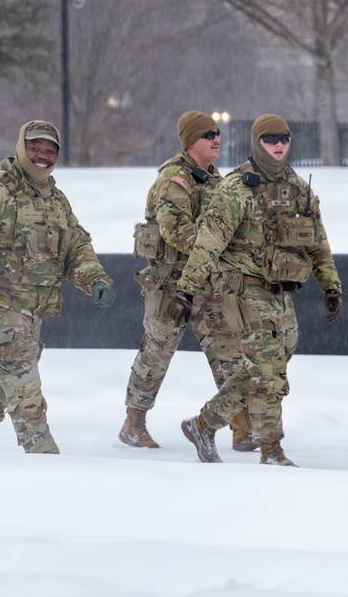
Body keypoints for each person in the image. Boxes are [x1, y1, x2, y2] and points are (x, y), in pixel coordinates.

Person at [166, 114, 343, 466]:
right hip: (244, 290)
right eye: (270, 139)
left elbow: (317, 243)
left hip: (282, 291)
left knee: (265, 369)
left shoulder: (298, 188)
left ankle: (203, 424)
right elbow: (207, 244)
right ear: (256, 142)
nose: (279, 145)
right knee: (267, 369)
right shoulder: (237, 189)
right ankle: (271, 450)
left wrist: (331, 285)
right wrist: (185, 290)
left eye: (284, 138)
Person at [0, 119, 115, 454]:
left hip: (33, 311)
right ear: (21, 148)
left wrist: (95, 279)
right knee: (25, 391)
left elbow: (75, 247)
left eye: (50, 150)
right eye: (35, 147)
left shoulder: (56, 199)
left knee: (2, 386)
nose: (42, 155)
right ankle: (44, 459)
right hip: (0, 308)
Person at [119, 110, 255, 451]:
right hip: (171, 283)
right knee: (157, 353)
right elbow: (175, 231)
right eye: (208, 134)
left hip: (209, 282)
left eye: (217, 133)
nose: (216, 139)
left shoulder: (214, 179)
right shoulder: (174, 180)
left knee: (229, 352)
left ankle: (242, 425)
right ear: (191, 141)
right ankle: (133, 423)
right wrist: (217, 246)